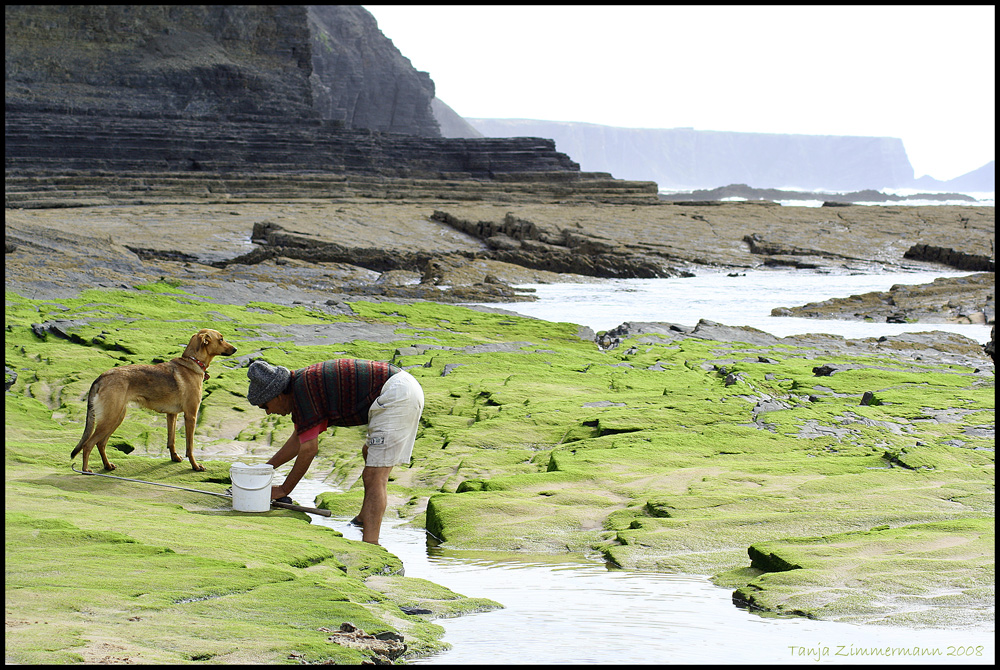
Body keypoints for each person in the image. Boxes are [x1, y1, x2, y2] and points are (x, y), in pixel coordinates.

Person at [246, 358, 424, 545]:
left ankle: (370, 546)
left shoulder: (303, 393)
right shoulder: (300, 387)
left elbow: (309, 450)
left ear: (277, 395)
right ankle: (363, 519)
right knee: (369, 454)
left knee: (375, 475)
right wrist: (263, 470)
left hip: (398, 395)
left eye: (265, 406)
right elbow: (298, 441)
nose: (267, 412)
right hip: (399, 387)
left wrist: (284, 489)